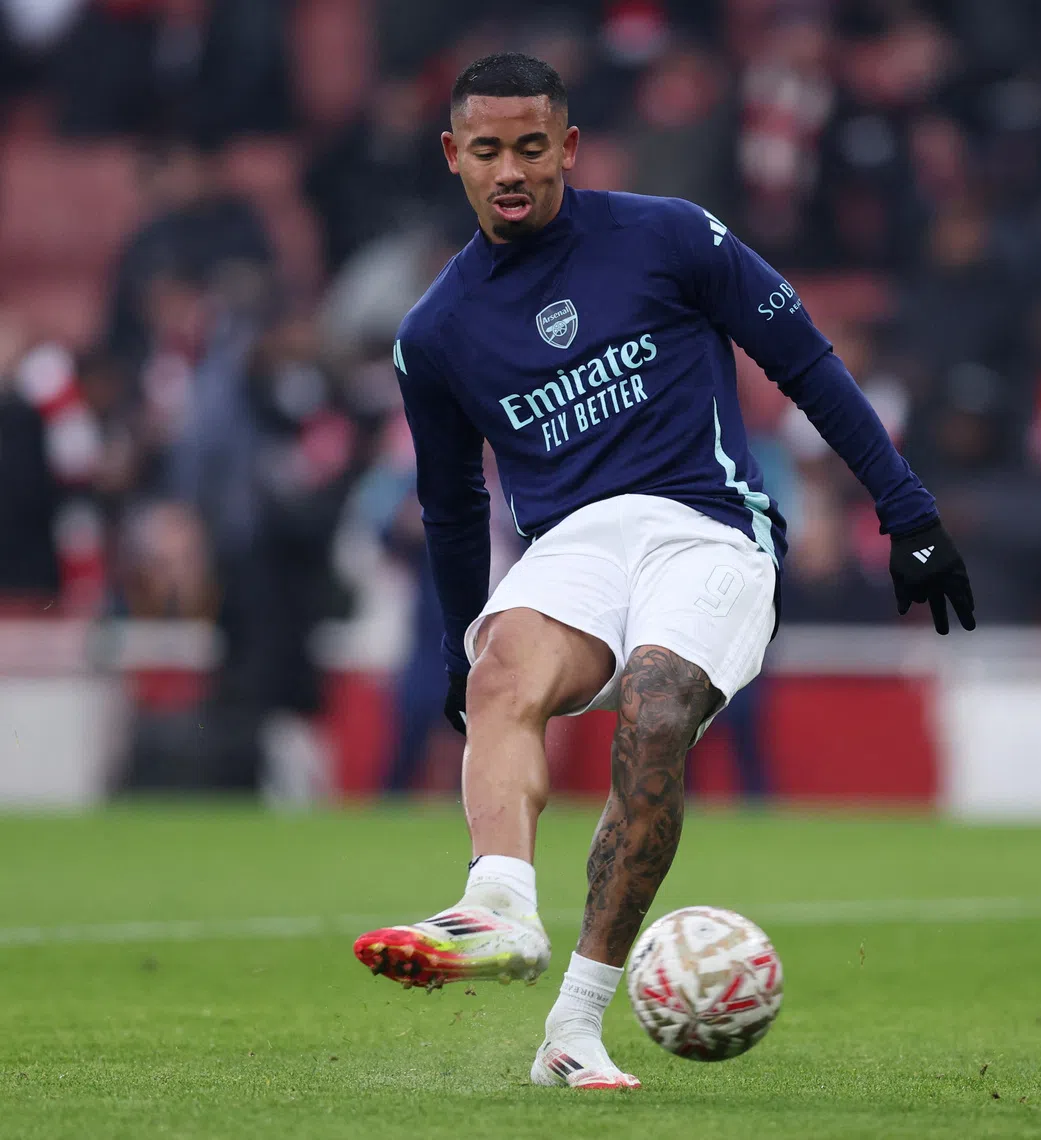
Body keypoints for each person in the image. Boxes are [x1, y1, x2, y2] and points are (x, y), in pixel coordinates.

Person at [353, 53, 975, 1090]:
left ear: (571, 148)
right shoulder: (436, 334)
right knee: (503, 669)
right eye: (490, 151)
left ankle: (576, 1026)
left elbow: (806, 359)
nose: (512, 170)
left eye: (533, 148)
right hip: (575, 546)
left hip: (708, 526)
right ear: (454, 156)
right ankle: (497, 905)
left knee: (652, 709)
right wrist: (466, 657)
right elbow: (451, 507)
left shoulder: (670, 236)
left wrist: (907, 510)